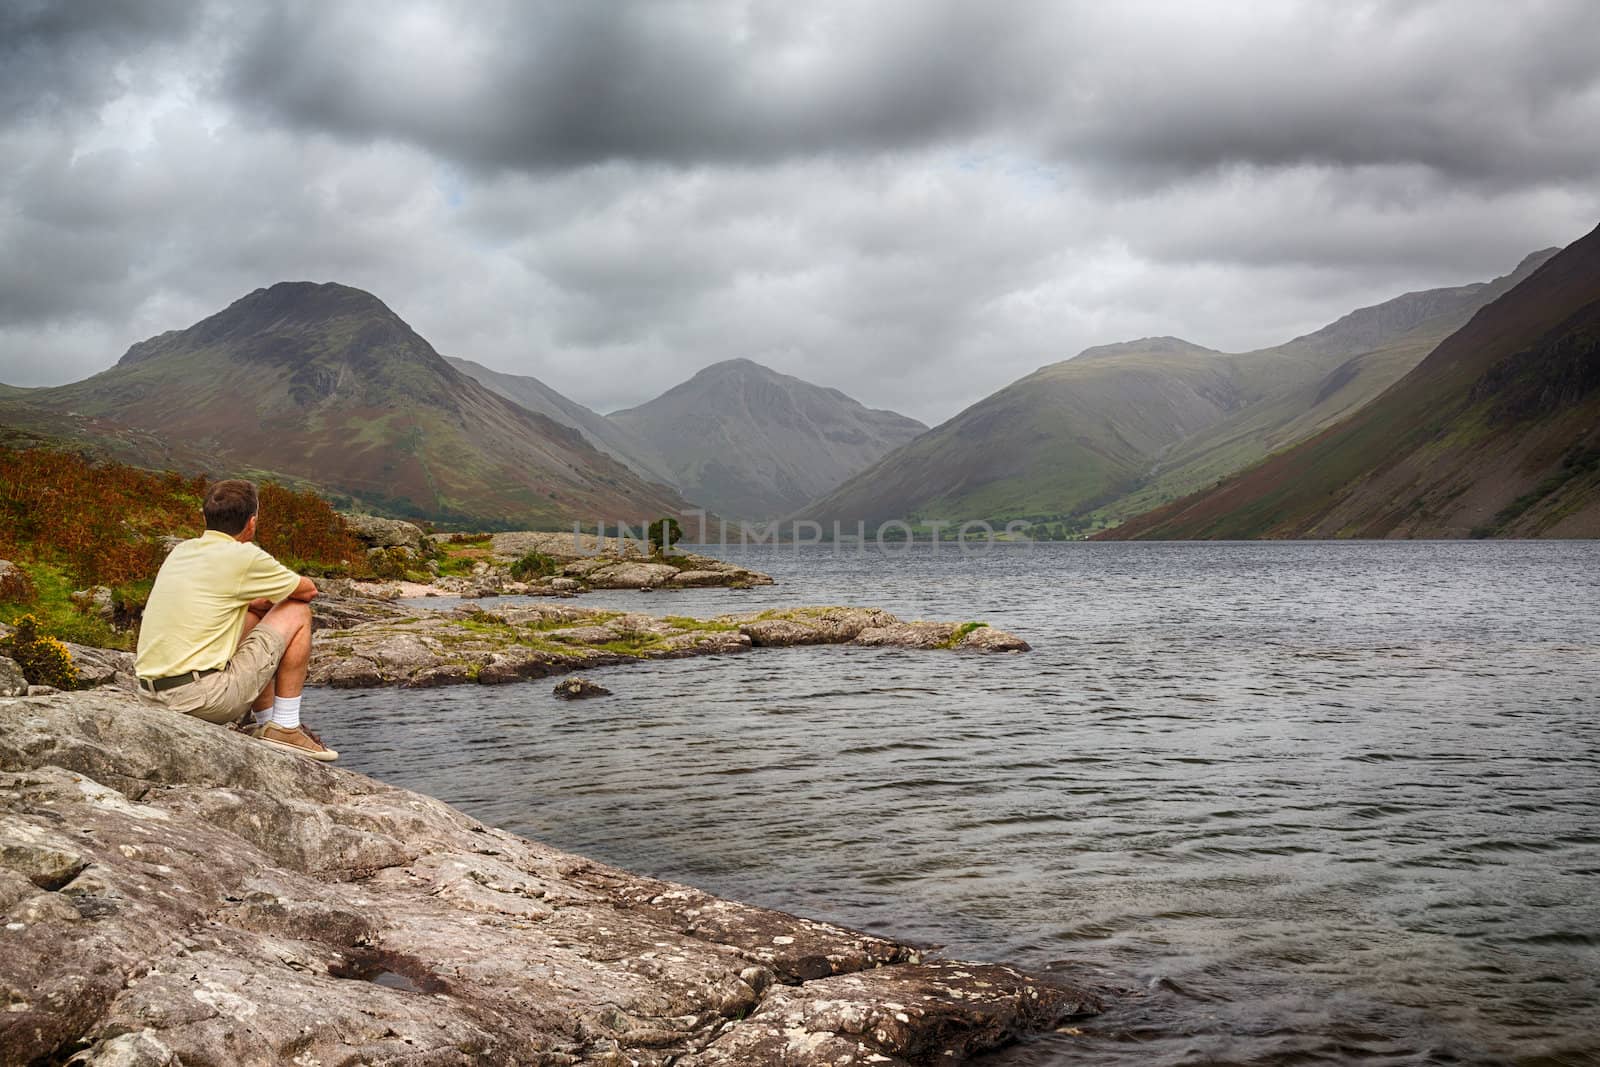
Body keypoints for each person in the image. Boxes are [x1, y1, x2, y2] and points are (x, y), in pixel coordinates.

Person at [134, 479, 337, 761]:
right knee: (296, 610)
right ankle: (287, 727)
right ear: (251, 523)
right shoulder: (243, 556)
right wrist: (271, 602)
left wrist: (258, 604)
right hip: (201, 700)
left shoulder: (181, 551)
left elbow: (229, 599)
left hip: (150, 695)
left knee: (251, 614)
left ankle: (266, 722)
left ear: (205, 518)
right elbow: (307, 590)